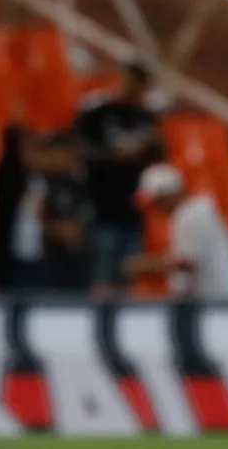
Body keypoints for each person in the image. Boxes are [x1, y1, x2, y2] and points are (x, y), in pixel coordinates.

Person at [74, 61, 162, 297]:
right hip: (102, 204)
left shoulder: (146, 118)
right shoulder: (98, 113)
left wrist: (151, 147)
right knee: (101, 276)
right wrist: (117, 156)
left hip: (134, 206)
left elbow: (159, 156)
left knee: (127, 278)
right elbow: (79, 151)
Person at [125, 163, 228, 299]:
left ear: (170, 194)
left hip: (220, 305)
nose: (156, 209)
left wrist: (142, 266)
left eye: (157, 202)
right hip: (215, 304)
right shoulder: (189, 213)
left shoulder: (192, 214)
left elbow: (186, 262)